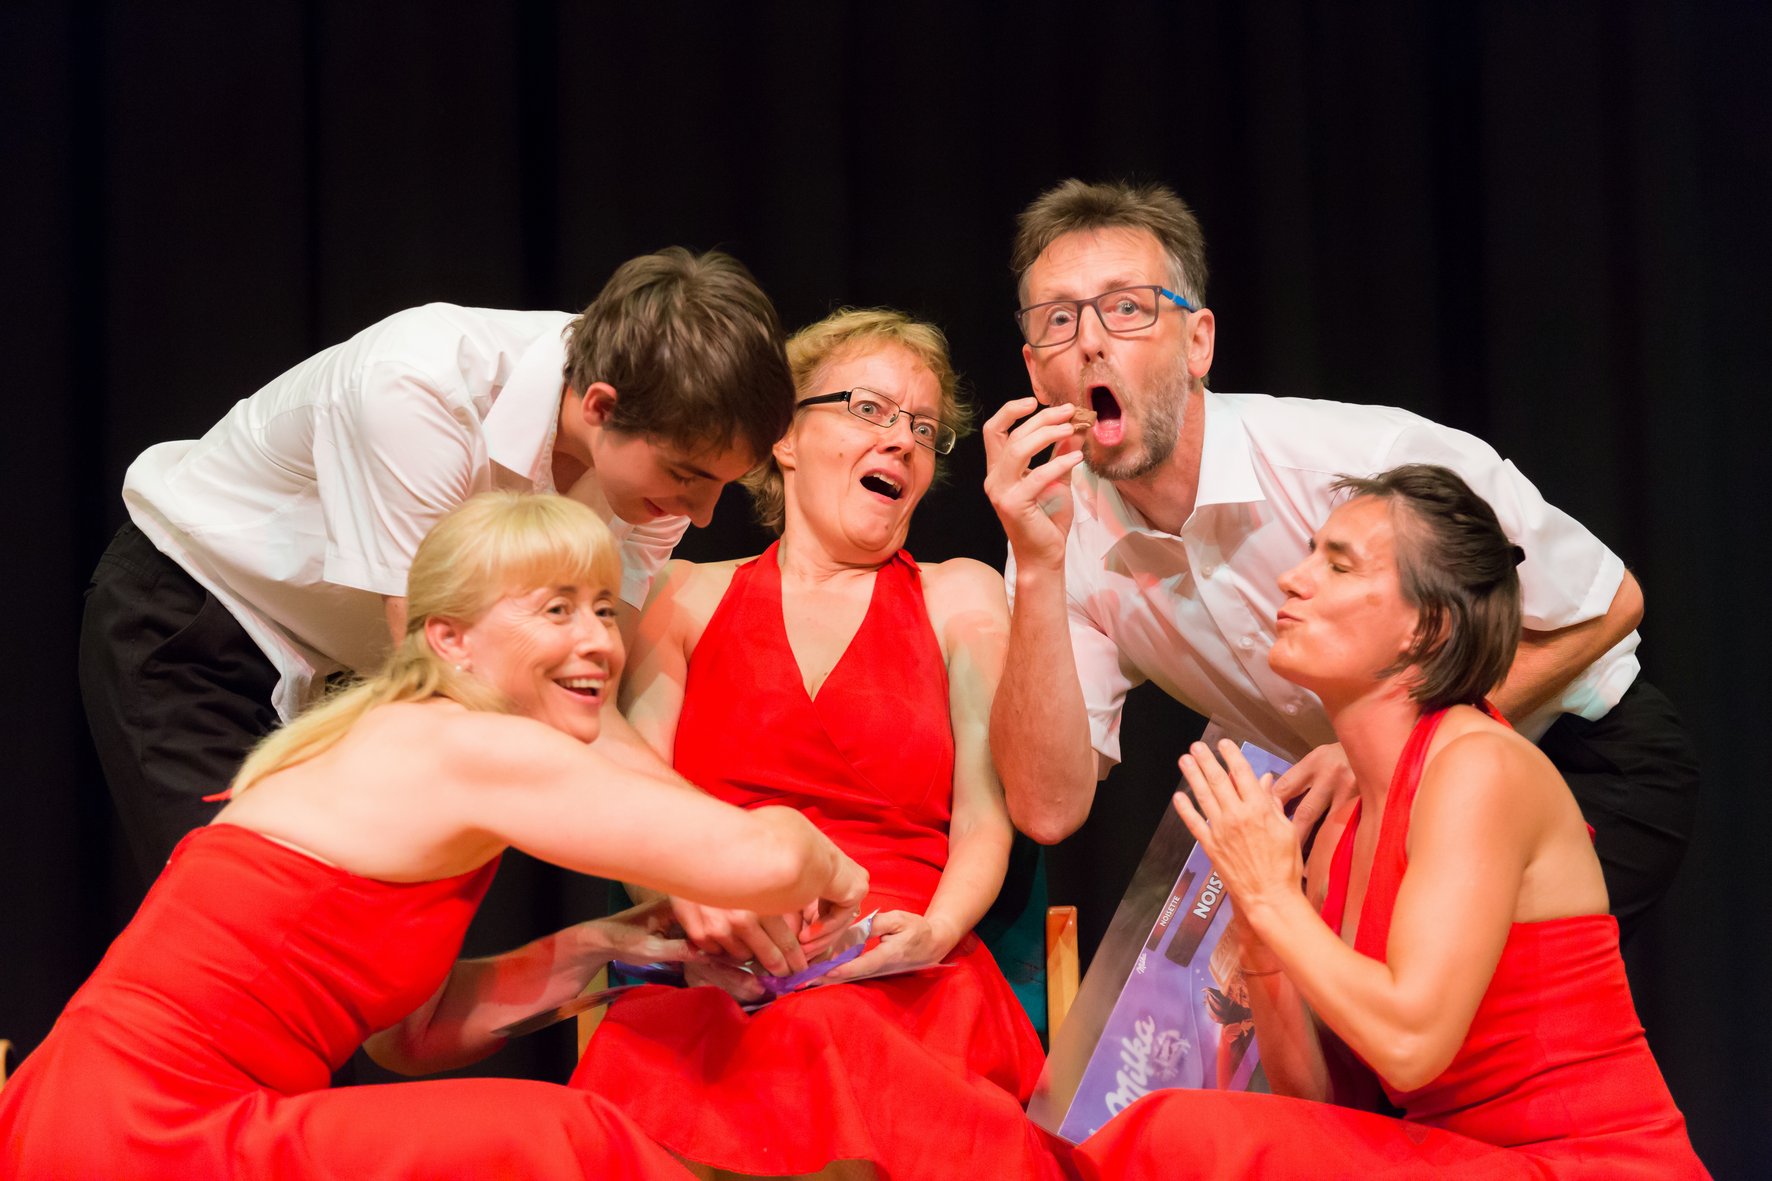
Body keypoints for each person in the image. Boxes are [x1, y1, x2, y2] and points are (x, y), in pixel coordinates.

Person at [2, 492, 868, 1179]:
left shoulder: (401, 736)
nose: (598, 642)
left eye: (605, 610)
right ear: (450, 639)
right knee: (559, 1139)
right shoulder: (461, 743)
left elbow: (411, 1035)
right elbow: (764, 861)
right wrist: (836, 864)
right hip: (145, 1131)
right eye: (556, 609)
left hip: (99, 1119)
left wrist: (617, 940)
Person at [984, 179, 1698, 935]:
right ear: (1034, 372)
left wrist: (1386, 757)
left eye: (1127, 308)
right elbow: (1048, 807)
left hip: (1576, 754)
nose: (1090, 341)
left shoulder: (1355, 460)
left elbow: (1611, 602)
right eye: (1059, 319)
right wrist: (1036, 568)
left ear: (1198, 343)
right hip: (1374, 804)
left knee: (1443, 992)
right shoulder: (1054, 539)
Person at [1072, 464, 1705, 1178]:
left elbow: (1410, 1045)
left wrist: (1276, 899)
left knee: (1179, 1132)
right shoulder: (1343, 820)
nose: (1292, 579)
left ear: (1427, 628)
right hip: (1452, 1160)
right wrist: (1256, 924)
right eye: (1310, 553)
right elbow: (1325, 1106)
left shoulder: (1478, 767)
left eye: (1338, 565)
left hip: (1586, 1164)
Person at [82, 247, 794, 881]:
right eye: (688, 476)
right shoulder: (421, 386)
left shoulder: (655, 465)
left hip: (353, 679)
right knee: (243, 920)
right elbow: (443, 681)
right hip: (198, 625)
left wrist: (717, 852)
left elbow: (585, 699)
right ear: (602, 406)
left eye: (722, 485)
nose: (702, 514)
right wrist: (688, 863)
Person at [571, 310, 1066, 1179]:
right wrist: (700, 914)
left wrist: (937, 930)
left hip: (905, 976)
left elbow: (987, 819)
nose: (902, 441)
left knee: (833, 1041)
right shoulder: (683, 594)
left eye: (923, 428)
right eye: (869, 409)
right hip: (719, 978)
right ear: (785, 437)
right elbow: (634, 806)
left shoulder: (959, 594)